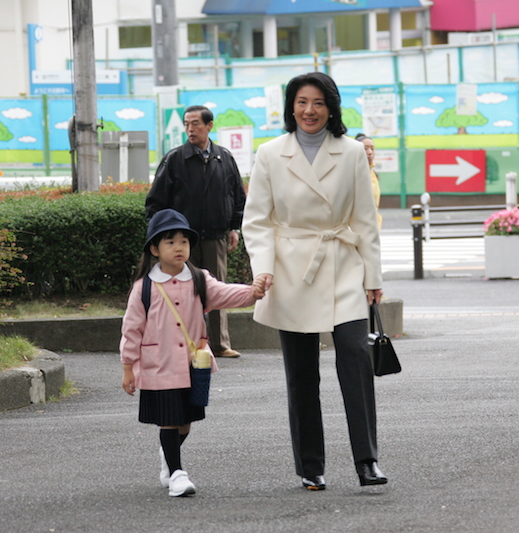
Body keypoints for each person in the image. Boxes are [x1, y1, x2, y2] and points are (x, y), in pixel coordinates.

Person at [242, 72, 386, 491]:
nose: (310, 110)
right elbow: (257, 221)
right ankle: (310, 466)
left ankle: (367, 460)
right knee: (301, 373)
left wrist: (373, 276)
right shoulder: (270, 154)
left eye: (319, 102)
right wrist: (263, 268)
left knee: (356, 359)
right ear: (291, 106)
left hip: (343, 263)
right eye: (302, 102)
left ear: (332, 107)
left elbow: (364, 220)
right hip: (291, 270)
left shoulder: (353, 152)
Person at [120, 209, 265, 497]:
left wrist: (253, 292)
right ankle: (177, 474)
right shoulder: (144, 287)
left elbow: (225, 293)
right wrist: (128, 366)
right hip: (158, 366)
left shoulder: (199, 280)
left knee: (185, 421)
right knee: (169, 420)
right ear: (154, 249)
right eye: (170, 241)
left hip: (191, 366)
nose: (179, 247)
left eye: (184, 241)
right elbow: (131, 329)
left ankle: (168, 455)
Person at [146, 105, 247, 358]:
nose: (190, 129)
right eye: (187, 124)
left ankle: (219, 344)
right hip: (181, 240)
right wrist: (163, 237)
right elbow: (156, 201)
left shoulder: (224, 158)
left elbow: (237, 197)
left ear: (209, 126)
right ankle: (183, 343)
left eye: (196, 124)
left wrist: (234, 227)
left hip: (215, 236)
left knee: (217, 290)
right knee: (182, 290)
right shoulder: (174, 159)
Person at [355, 133, 382, 230]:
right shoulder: (352, 172)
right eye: (365, 148)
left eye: (372, 148)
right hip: (358, 225)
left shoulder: (372, 172)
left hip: (372, 223)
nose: (370, 152)